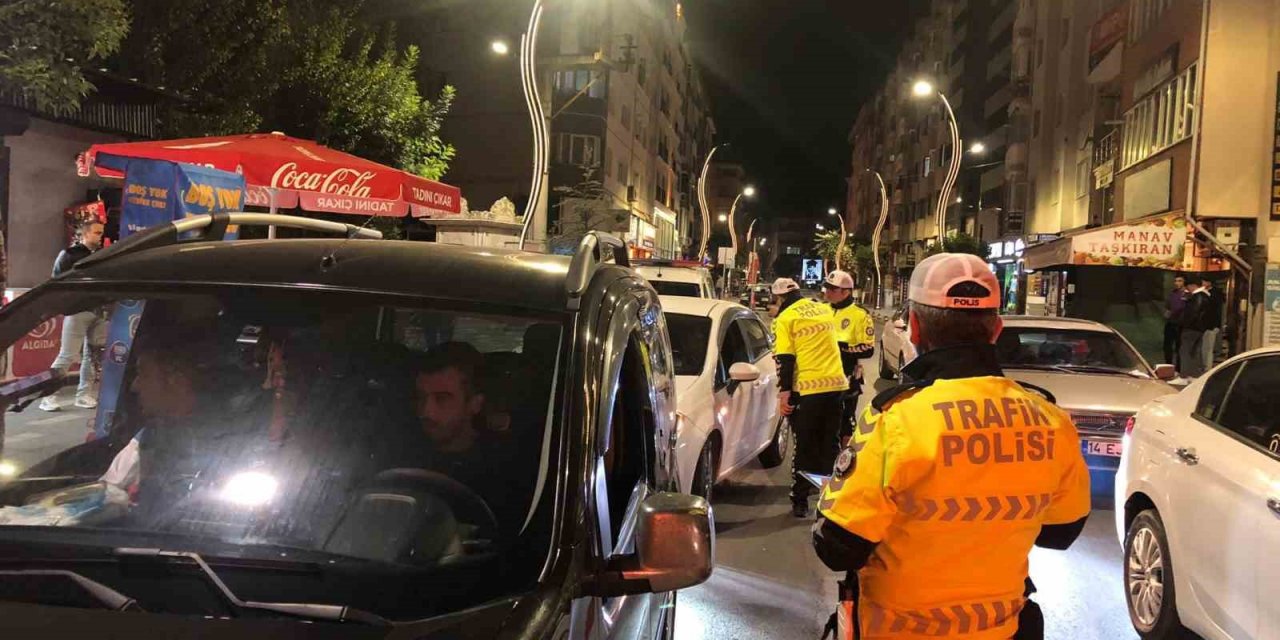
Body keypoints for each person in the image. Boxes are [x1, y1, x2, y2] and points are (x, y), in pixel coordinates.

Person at [811, 253, 1091, 640]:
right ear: (996, 329)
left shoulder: (897, 419)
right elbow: (1060, 533)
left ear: (913, 327)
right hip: (1003, 629)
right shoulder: (1049, 419)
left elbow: (837, 547)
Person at [771, 277, 848, 518]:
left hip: (808, 389)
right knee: (829, 445)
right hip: (835, 386)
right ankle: (828, 500)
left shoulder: (785, 319)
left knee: (805, 447)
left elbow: (785, 359)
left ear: (780, 298)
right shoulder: (823, 310)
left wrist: (785, 395)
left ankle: (800, 500)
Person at [40, 219, 107, 411]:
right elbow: (57, 281)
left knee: (92, 355)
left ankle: (84, 394)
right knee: (67, 355)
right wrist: (67, 304)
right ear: (85, 234)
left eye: (101, 232)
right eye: (96, 232)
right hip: (77, 311)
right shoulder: (69, 255)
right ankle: (48, 396)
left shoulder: (103, 255)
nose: (100, 236)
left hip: (98, 310)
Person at [822, 270, 875, 445]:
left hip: (847, 375)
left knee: (846, 419)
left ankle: (846, 455)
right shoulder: (822, 310)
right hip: (821, 375)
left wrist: (842, 348)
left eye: (832, 289)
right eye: (826, 288)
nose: (827, 292)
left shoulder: (860, 315)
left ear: (846, 292)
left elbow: (868, 348)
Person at [1179, 281, 1214, 378]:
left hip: (1191, 328)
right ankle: (1194, 375)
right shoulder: (1206, 296)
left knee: (1185, 351)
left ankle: (1184, 375)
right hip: (1200, 328)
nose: (1187, 290)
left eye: (1188, 287)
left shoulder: (1197, 297)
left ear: (1192, 285)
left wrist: (1185, 324)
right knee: (1196, 352)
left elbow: (1193, 313)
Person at [1162, 275, 1188, 371]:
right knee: (1167, 346)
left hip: (1180, 324)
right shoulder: (1173, 293)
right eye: (1176, 281)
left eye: (1180, 281)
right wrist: (1167, 314)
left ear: (1184, 282)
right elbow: (1168, 306)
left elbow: (1182, 308)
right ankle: (1168, 366)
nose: (1177, 283)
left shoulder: (1187, 294)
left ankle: (1178, 368)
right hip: (1171, 322)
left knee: (1179, 347)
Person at [1200, 278, 1223, 369]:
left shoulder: (1215, 294)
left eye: (1205, 281)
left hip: (1211, 325)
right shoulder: (1203, 292)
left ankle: (1207, 367)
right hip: (1204, 325)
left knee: (1208, 348)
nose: (1203, 283)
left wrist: (1217, 325)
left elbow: (1217, 310)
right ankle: (1204, 365)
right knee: (1204, 347)